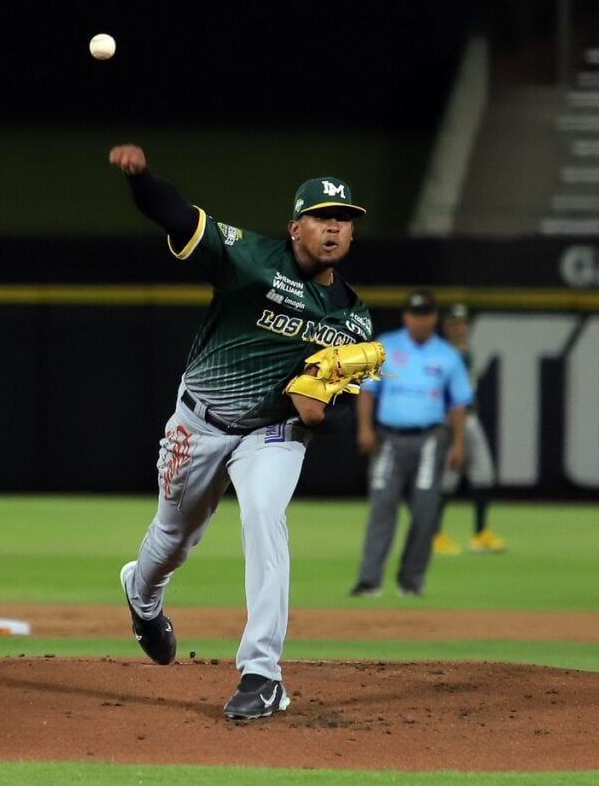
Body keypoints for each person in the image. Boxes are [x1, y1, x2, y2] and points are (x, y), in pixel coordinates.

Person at [109, 144, 374, 720]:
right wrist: (141, 178)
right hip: (198, 421)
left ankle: (262, 674)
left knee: (263, 515)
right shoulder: (248, 259)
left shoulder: (353, 321)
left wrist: (321, 416)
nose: (334, 227)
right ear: (295, 226)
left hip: (272, 434)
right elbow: (177, 215)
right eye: (323, 217)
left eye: (345, 219)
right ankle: (143, 597)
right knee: (171, 540)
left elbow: (343, 410)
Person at [350, 290, 473, 598]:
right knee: (382, 507)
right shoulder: (387, 346)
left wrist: (459, 444)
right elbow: (367, 391)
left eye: (426, 314)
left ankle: (411, 580)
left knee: (425, 512)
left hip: (431, 438)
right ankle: (369, 581)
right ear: (406, 316)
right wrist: (365, 428)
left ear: (434, 318)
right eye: (415, 314)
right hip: (389, 438)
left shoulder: (447, 355)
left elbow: (458, 404)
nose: (421, 320)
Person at [432, 303, 506, 555]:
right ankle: (435, 533)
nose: (461, 327)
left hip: (468, 418)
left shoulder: (463, 351)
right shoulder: (443, 352)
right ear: (446, 327)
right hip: (452, 420)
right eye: (455, 323)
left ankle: (480, 532)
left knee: (482, 473)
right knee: (448, 477)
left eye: (464, 322)